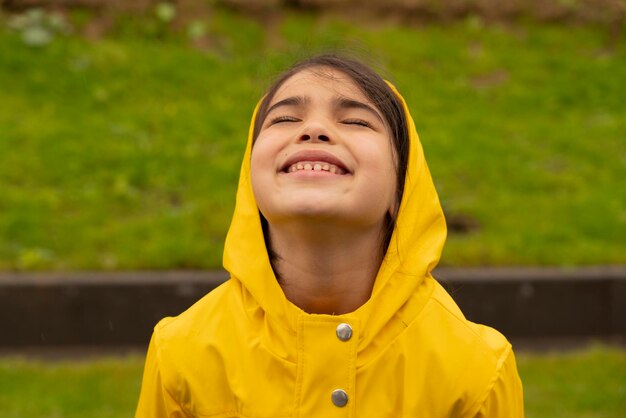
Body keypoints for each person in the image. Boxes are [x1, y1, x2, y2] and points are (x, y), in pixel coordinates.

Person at [135, 54, 524, 417]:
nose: (314, 130)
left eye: (355, 121)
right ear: (248, 178)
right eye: (285, 119)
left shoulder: (475, 369)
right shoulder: (182, 354)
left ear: (403, 187)